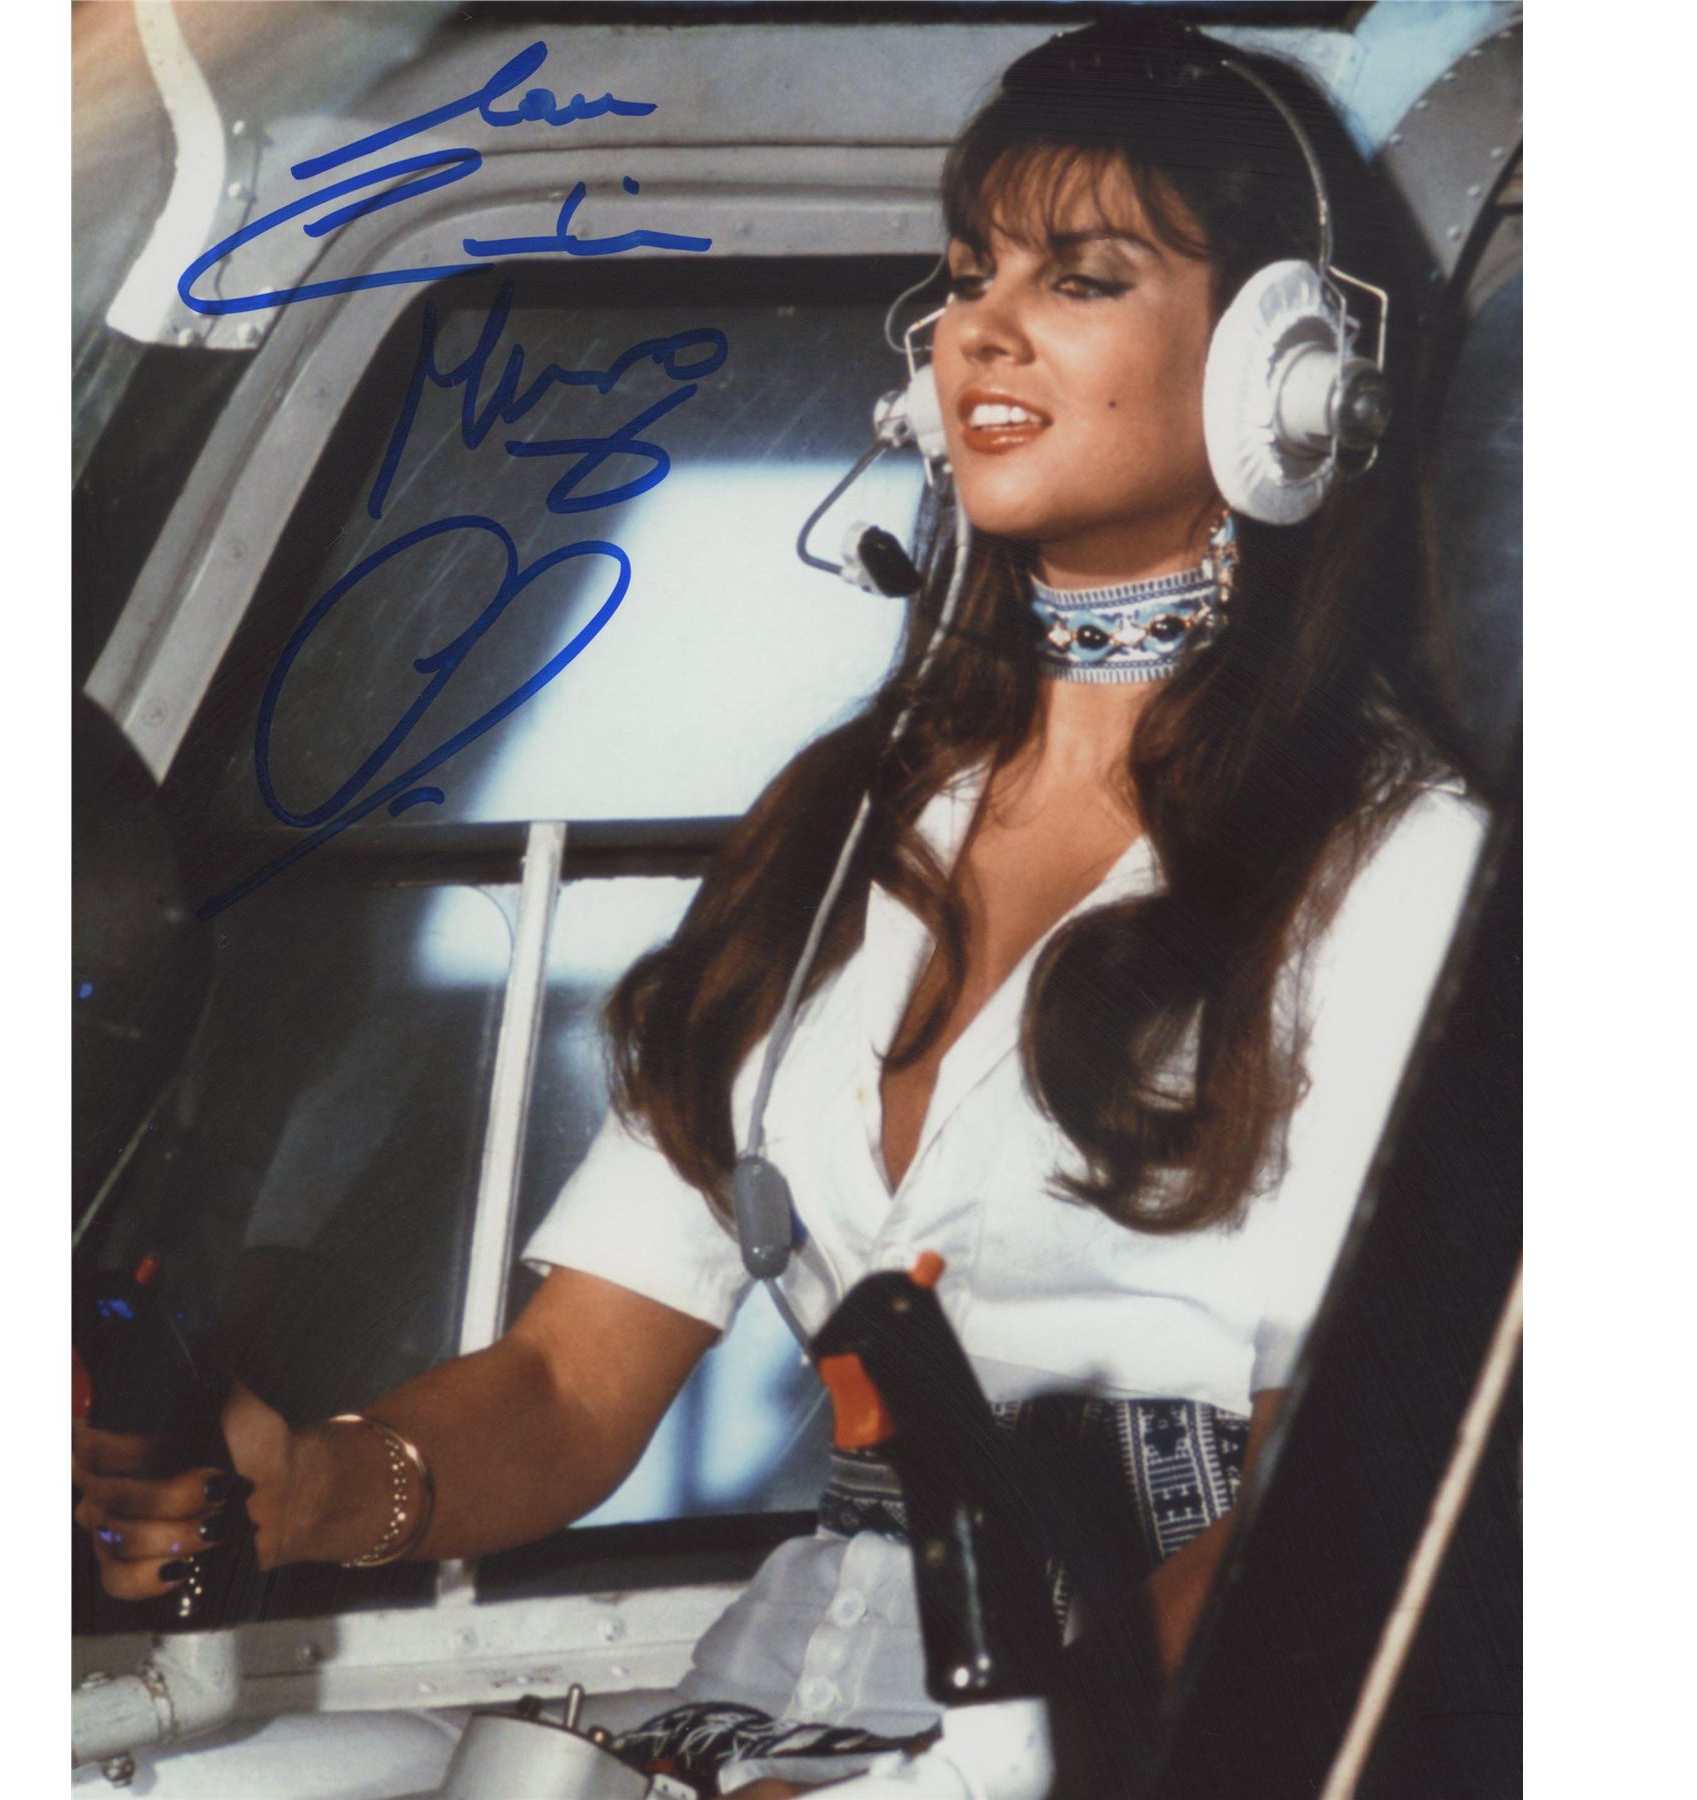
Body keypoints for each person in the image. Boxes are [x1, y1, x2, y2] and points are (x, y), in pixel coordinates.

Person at [73, 15, 1490, 1797]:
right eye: (968, 273)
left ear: (1288, 368)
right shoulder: (840, 834)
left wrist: (991, 1775)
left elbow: (1339, 1514)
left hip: (1143, 1731)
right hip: (779, 1702)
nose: (981, 326)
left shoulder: (1395, 867)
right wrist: (313, 1487)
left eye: (1080, 276)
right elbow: (572, 1386)